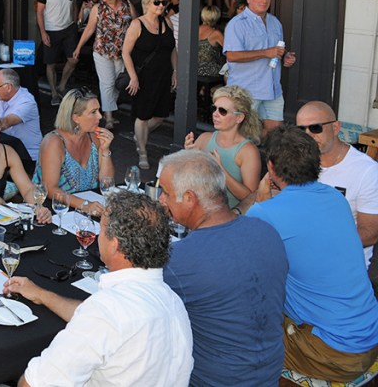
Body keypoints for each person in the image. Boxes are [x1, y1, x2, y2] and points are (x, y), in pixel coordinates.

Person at [5, 191, 194, 386]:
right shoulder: (173, 304)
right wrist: (42, 295)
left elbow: (35, 384)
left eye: (101, 230)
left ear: (114, 245)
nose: (96, 236)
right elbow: (103, 322)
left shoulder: (106, 312)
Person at [245, 126, 378, 381]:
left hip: (332, 354)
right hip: (368, 336)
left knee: (230, 332)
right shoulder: (335, 197)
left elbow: (238, 264)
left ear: (271, 168)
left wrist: (261, 201)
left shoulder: (266, 213)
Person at [157, 150, 288, 387]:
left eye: (166, 192)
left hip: (213, 380)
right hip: (270, 371)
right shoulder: (267, 231)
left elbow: (140, 315)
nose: (161, 200)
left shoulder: (181, 260)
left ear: (189, 198)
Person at [296, 100, 378, 268]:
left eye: (315, 128)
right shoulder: (296, 160)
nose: (308, 135)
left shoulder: (366, 171)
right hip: (299, 255)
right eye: (301, 130)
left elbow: (370, 234)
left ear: (335, 128)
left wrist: (318, 241)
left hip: (342, 261)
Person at [224, 0, 296, 133]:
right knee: (239, 133)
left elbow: (276, 50)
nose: (264, 1)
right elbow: (231, 55)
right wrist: (265, 52)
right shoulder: (237, 24)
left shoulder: (275, 22)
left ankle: (261, 157)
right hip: (247, 89)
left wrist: (286, 57)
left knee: (274, 132)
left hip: (273, 88)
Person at [121, 0, 176, 170]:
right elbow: (125, 53)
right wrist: (133, 77)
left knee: (160, 116)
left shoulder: (167, 23)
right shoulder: (137, 24)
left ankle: (140, 135)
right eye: (157, 2)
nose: (161, 5)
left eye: (164, 2)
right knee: (143, 115)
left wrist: (175, 71)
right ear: (147, 3)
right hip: (144, 77)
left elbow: (172, 50)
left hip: (163, 75)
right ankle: (142, 151)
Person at [39, 88, 116, 215]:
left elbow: (107, 183)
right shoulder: (54, 142)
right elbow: (50, 189)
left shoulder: (94, 137)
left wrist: (105, 150)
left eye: (99, 110)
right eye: (93, 112)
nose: (100, 116)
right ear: (76, 117)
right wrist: (84, 205)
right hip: (55, 210)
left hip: (91, 208)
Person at [183, 85, 262, 207]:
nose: (215, 114)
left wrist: (220, 170)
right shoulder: (205, 138)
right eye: (214, 108)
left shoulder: (247, 151)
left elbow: (251, 198)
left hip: (230, 217)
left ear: (239, 118)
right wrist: (189, 156)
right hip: (200, 211)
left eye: (222, 111)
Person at [73, 0, 135, 129]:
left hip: (123, 53)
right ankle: (108, 118)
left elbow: (137, 24)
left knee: (117, 83)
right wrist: (78, 47)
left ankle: (110, 109)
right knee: (106, 83)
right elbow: (89, 29)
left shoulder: (127, 5)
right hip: (102, 52)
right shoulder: (98, 8)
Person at [36, 0, 80, 105]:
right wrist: (43, 32)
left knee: (73, 59)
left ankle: (62, 86)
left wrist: (74, 23)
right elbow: (39, 12)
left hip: (69, 29)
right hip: (51, 30)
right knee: (51, 63)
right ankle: (54, 93)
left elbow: (74, 5)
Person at [197, 5, 225, 78]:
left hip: (193, 67)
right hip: (210, 69)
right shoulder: (216, 33)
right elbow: (229, 49)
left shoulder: (194, 29)